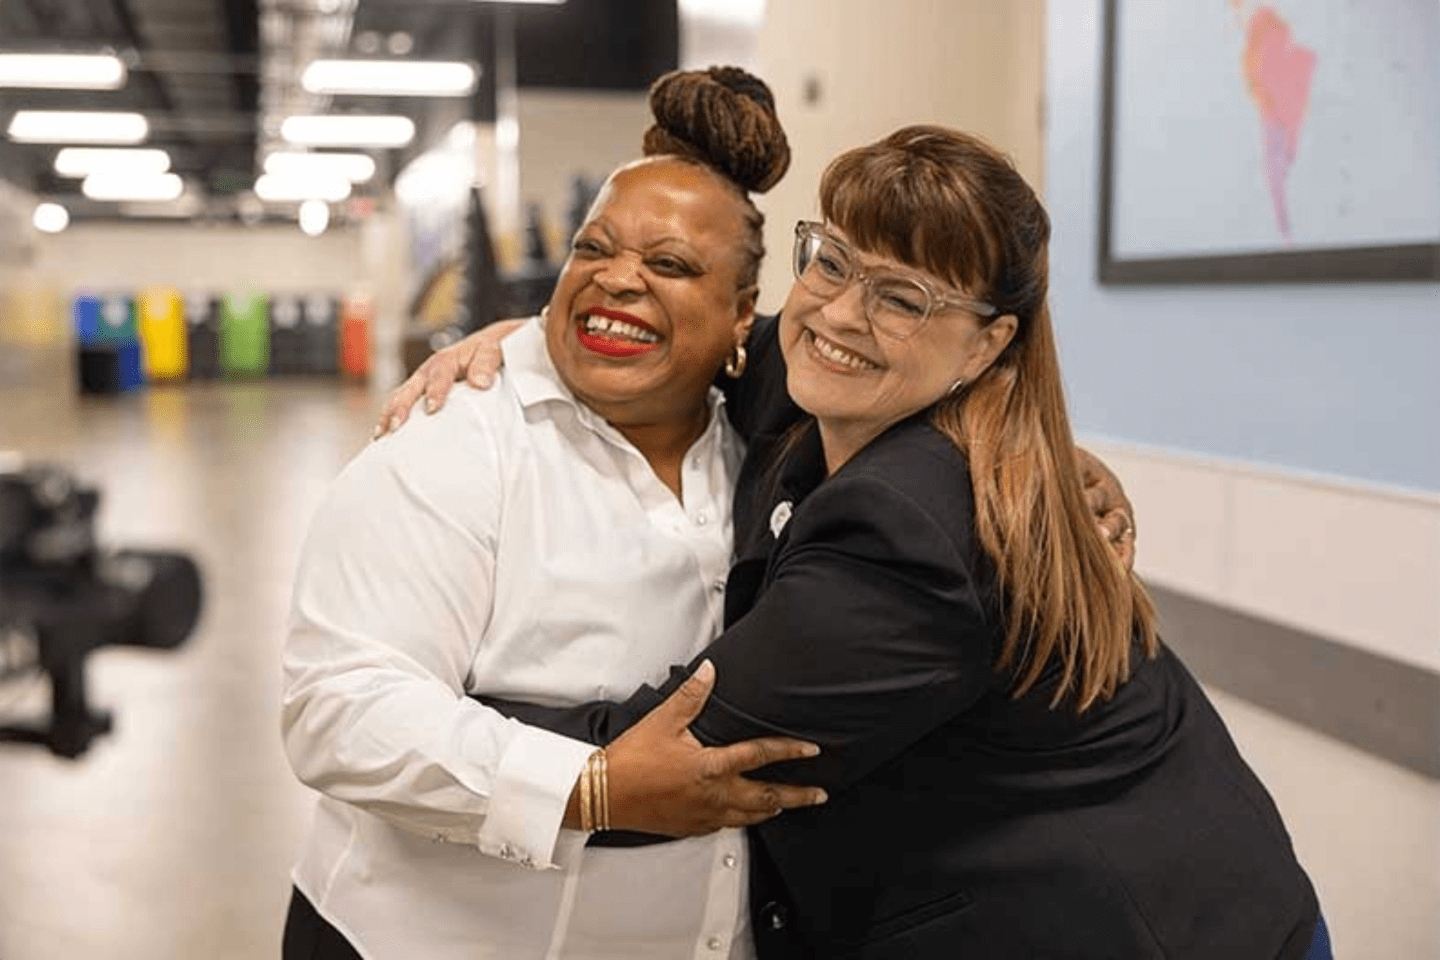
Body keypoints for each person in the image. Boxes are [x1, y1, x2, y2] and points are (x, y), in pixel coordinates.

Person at [382, 126, 1328, 959]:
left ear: (987, 344)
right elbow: (715, 335)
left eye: (903, 298)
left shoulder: (914, 532)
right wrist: (538, 334)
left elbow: (689, 759)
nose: (839, 313)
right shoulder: (824, 391)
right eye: (831, 261)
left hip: (1151, 930)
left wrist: (423, 731)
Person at [280, 66, 831, 960]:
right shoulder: (457, 437)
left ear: (743, 318)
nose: (618, 279)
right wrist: (592, 786)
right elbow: (339, 709)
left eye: (669, 264)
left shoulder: (762, 449)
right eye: (592, 249)